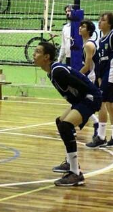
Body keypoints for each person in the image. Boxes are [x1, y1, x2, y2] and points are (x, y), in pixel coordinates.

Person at [33, 41, 102, 187]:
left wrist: (82, 109)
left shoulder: (58, 71)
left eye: (38, 51)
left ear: (46, 57)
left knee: (66, 126)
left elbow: (83, 86)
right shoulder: (52, 72)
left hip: (90, 97)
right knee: (60, 122)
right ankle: (70, 162)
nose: (34, 54)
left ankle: (76, 173)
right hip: (82, 100)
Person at [86, 13, 113, 149]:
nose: (99, 22)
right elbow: (99, 61)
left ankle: (100, 137)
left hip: (112, 74)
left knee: (102, 103)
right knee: (110, 105)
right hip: (105, 75)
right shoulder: (101, 39)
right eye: (99, 19)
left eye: (103, 20)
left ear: (109, 24)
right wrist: (99, 76)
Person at [78, 19, 100, 139]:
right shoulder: (86, 43)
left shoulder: (88, 45)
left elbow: (87, 66)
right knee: (80, 100)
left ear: (89, 30)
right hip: (90, 75)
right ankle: (81, 123)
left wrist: (76, 76)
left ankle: (96, 123)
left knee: (80, 100)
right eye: (80, 26)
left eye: (83, 27)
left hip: (91, 76)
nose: (80, 28)